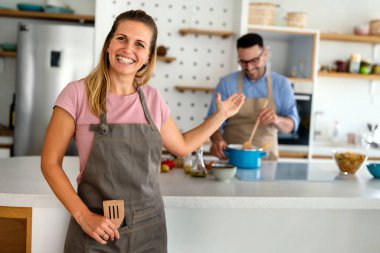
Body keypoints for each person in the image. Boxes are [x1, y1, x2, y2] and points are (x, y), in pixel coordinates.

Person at [40, 10, 244, 253]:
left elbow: (182, 146)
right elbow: (50, 163)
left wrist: (220, 115)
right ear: (108, 45)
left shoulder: (153, 99)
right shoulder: (76, 94)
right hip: (97, 231)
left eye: (139, 44)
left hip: (150, 231)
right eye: (121, 38)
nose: (128, 49)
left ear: (148, 57)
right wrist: (83, 216)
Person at [207, 33, 299, 160]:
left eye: (254, 61)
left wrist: (276, 119)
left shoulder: (282, 84)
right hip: (232, 158)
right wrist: (217, 140)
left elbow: (292, 126)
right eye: (243, 62)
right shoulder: (226, 83)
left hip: (267, 160)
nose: (249, 67)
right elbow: (212, 124)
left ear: (265, 54)